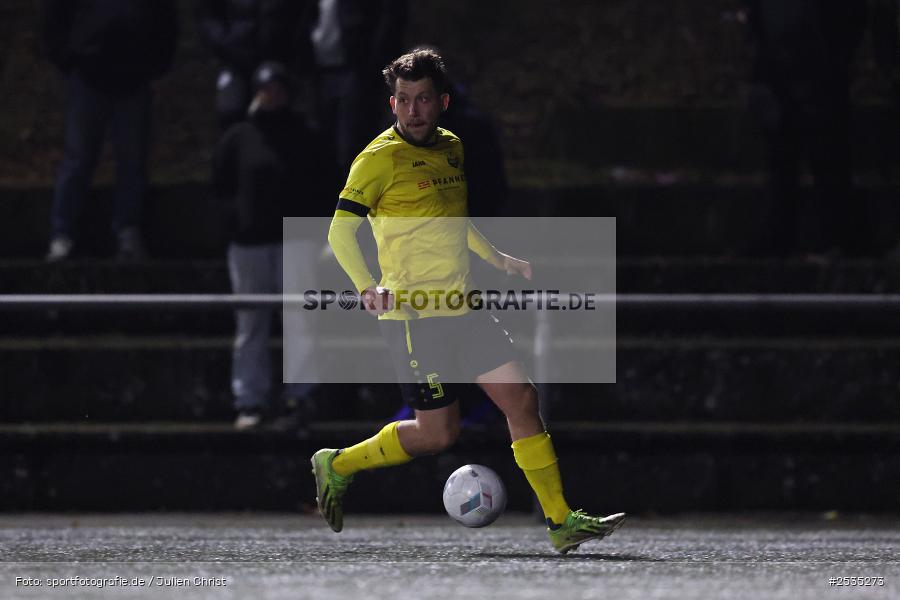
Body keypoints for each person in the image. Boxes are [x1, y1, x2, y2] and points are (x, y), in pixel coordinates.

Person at [312, 49, 625, 554]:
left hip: (465, 307)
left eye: (423, 100)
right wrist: (366, 285)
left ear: (443, 103)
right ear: (393, 103)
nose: (413, 110)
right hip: (413, 317)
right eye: (404, 101)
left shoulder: (453, 147)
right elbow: (339, 231)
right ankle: (337, 463)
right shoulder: (377, 159)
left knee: (522, 400)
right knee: (438, 435)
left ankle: (561, 522)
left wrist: (497, 258)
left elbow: (454, 220)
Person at [213, 62, 325, 430]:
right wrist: (235, 223)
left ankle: (301, 396)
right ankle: (250, 398)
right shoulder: (238, 136)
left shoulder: (305, 135)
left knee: (300, 320)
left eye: (278, 88)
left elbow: (322, 185)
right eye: (265, 88)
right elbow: (220, 186)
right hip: (248, 244)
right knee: (250, 322)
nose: (271, 95)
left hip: (296, 241)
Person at [43, 0, 178, 261]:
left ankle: (127, 231)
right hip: (87, 76)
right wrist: (66, 56)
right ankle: (62, 234)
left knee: (132, 162)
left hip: (134, 80)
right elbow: (55, 16)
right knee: (78, 160)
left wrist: (157, 65)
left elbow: (166, 21)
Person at [195, 0, 315, 131]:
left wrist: (294, 55)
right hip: (235, 60)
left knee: (275, 114)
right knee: (229, 112)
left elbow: (305, 15)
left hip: (277, 61)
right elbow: (206, 15)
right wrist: (222, 41)